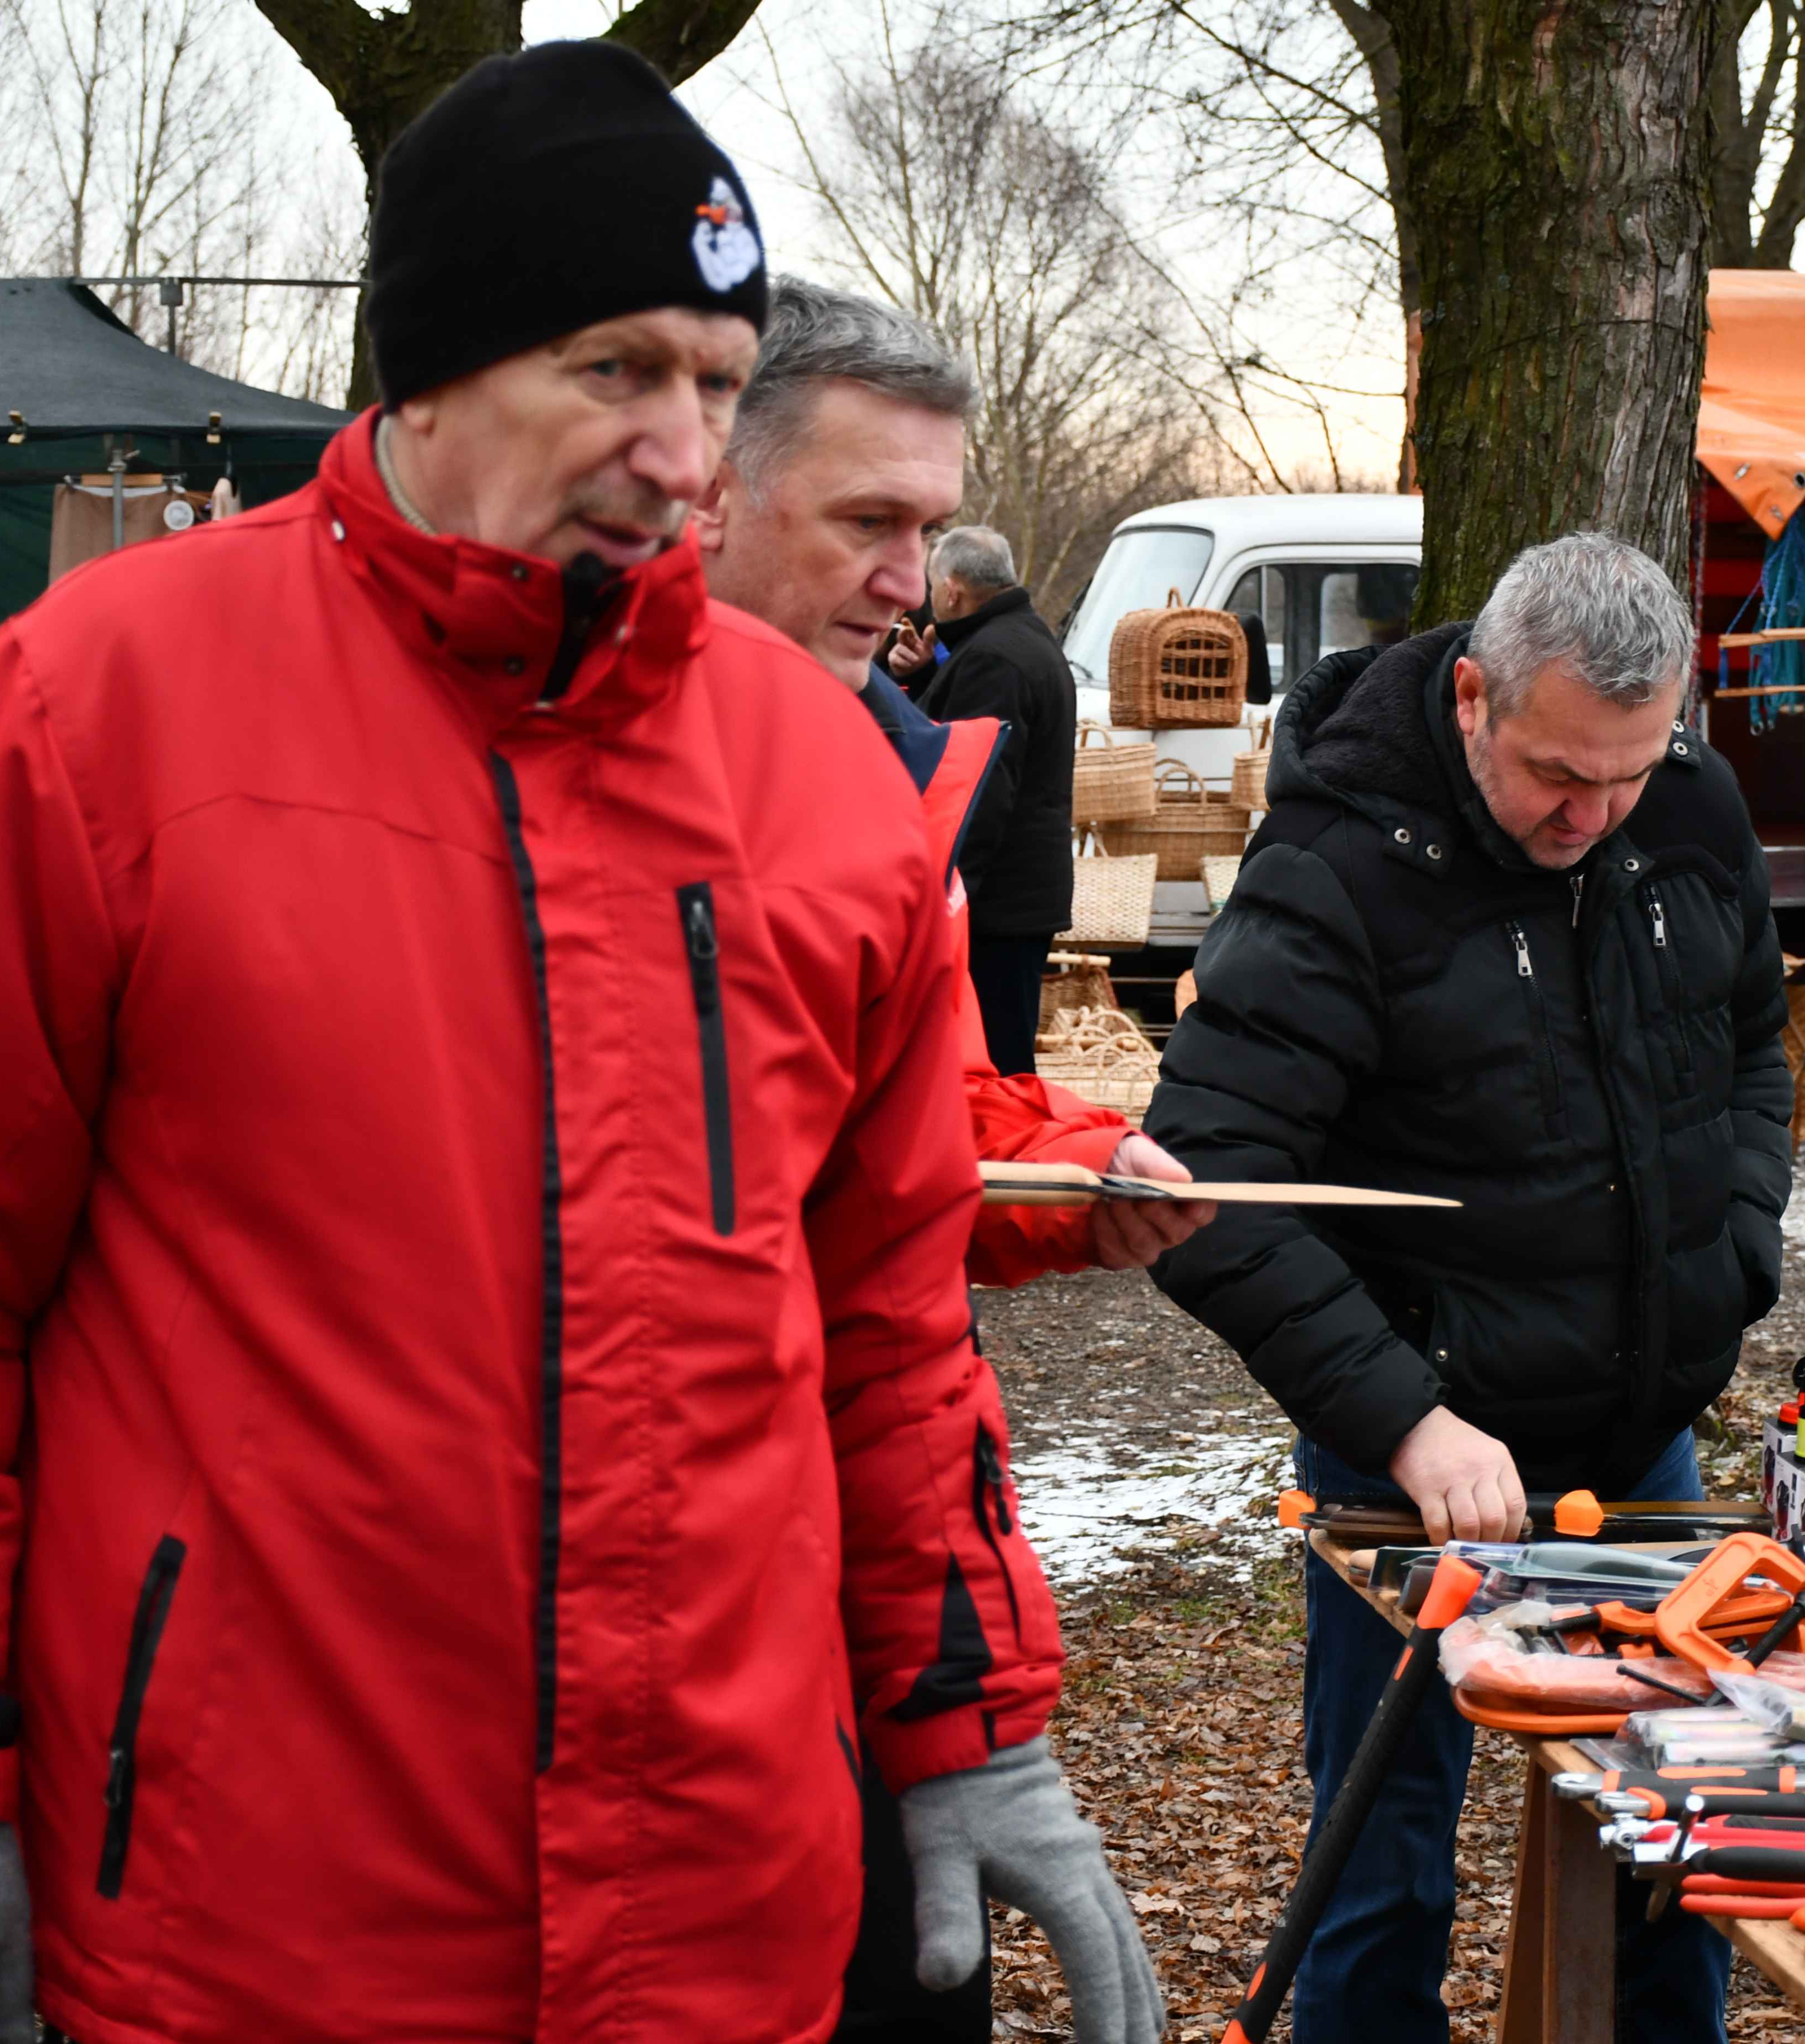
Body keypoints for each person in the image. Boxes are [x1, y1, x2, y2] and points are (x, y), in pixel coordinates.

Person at [0, 43, 1159, 2044]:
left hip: (717, 1915)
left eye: (711, 378)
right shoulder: (93, 716)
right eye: (615, 369)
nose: (683, 448)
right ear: (423, 369)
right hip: (257, 1916)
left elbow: (884, 1321)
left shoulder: (825, 780)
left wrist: (968, 1725)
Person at [1144, 532, 1793, 2044]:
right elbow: (1208, 1177)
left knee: (1672, 1839)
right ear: (1468, 699)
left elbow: (1756, 1046)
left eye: (1629, 774)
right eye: (1560, 775)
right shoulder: (1339, 865)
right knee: (1386, 1861)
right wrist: (1408, 1414)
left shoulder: (1684, 808)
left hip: (1642, 1437)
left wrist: (1737, 1245)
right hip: (1414, 1465)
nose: (1597, 813)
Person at [698, 273, 1205, 2042]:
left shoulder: (885, 780)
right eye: (866, 520)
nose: (911, 578)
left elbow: (888, 1212)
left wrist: (1079, 1166)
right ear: (706, 486)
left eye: (926, 528)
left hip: (829, 1617)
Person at [910, 523, 1077, 1074]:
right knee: (1006, 1049)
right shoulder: (1027, 638)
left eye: (934, 588)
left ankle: (1008, 1161)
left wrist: (945, 896)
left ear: (952, 589)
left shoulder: (993, 659)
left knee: (997, 1061)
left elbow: (981, 787)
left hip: (994, 908)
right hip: (1020, 900)